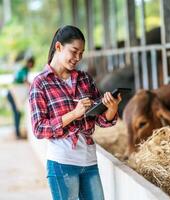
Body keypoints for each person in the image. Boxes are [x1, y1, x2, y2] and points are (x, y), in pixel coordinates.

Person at [29, 25, 121, 200]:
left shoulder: (85, 79)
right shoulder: (41, 83)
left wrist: (112, 108)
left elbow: (101, 120)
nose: (78, 58)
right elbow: (39, 128)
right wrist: (74, 113)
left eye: (81, 53)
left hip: (89, 161)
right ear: (58, 47)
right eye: (74, 51)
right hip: (62, 164)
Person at [7, 56, 35, 139]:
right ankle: (17, 134)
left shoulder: (23, 69)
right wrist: (34, 86)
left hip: (12, 93)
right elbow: (25, 81)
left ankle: (17, 133)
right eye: (32, 64)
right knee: (17, 113)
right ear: (30, 63)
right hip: (13, 94)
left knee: (17, 113)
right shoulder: (25, 69)